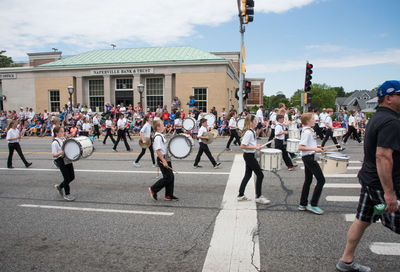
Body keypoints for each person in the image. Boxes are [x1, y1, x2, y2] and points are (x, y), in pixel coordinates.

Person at [336, 81, 400, 272]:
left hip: (370, 180)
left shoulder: (377, 118)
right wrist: (389, 194)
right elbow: (383, 156)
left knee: (362, 219)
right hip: (385, 184)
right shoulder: (391, 122)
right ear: (389, 98)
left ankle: (346, 261)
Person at [237, 115, 271, 204]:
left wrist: (256, 146)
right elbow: (242, 146)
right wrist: (255, 147)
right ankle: (258, 196)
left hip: (249, 155)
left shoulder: (251, 131)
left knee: (248, 175)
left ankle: (240, 195)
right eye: (255, 121)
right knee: (260, 175)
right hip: (249, 156)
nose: (256, 123)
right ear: (251, 122)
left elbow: (250, 144)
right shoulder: (249, 132)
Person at [297, 112, 325, 215]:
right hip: (309, 158)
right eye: (313, 118)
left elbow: (308, 144)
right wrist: (314, 148)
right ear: (308, 121)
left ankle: (303, 204)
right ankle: (313, 205)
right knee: (321, 180)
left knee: (308, 180)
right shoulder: (307, 132)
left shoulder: (308, 130)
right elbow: (300, 147)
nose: (315, 120)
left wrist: (316, 146)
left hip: (309, 157)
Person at [148, 120, 178, 201]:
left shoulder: (161, 135)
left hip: (166, 157)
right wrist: (163, 160)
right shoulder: (158, 137)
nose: (164, 126)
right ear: (158, 127)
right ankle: (153, 189)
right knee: (168, 177)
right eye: (162, 125)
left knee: (171, 176)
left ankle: (168, 195)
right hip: (163, 158)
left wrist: (170, 131)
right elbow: (157, 150)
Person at [52, 127, 76, 201]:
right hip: (61, 160)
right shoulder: (55, 142)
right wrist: (61, 153)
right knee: (66, 178)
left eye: (63, 131)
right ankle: (67, 194)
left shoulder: (64, 139)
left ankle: (60, 187)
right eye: (61, 132)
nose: (63, 133)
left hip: (67, 159)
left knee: (72, 177)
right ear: (57, 133)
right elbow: (54, 155)